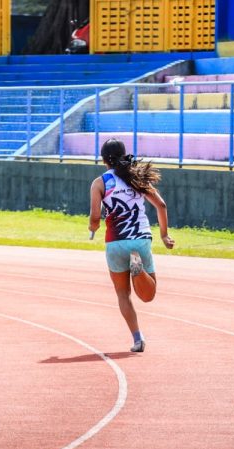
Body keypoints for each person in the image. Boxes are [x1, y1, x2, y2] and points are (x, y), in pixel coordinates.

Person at [89, 139, 175, 353]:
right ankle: (138, 267)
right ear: (124, 154)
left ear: (103, 159)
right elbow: (161, 205)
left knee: (123, 294)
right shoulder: (135, 176)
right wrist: (164, 235)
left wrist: (93, 227)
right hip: (140, 239)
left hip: (115, 242)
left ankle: (137, 338)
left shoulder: (99, 183)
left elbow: (95, 218)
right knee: (148, 295)